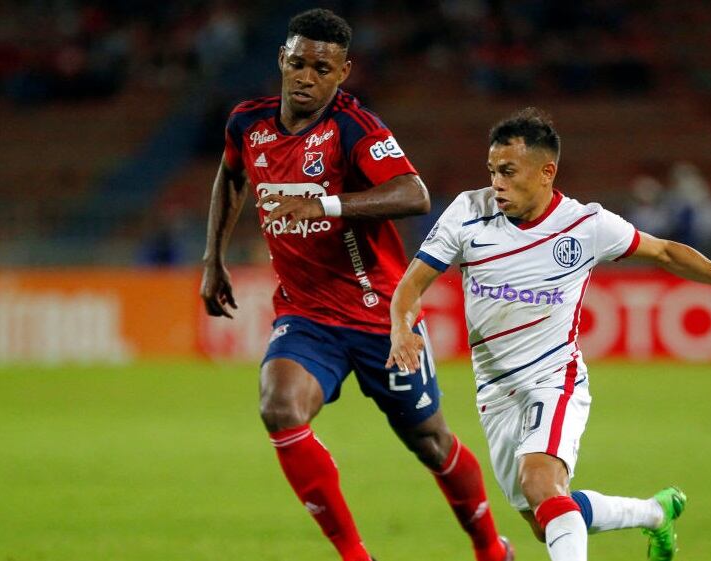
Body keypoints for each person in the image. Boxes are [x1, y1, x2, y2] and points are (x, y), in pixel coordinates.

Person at [387, 108, 711, 561]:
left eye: (508, 171)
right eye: (492, 170)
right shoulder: (468, 212)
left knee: (542, 484)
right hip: (495, 393)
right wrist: (401, 326)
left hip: (554, 379)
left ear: (545, 172)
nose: (496, 182)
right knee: (547, 518)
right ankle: (653, 513)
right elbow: (410, 286)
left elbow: (665, 252)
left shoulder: (585, 225)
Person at [200, 9, 513, 561]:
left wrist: (326, 203)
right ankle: (355, 556)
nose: (306, 77)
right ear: (281, 60)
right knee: (279, 406)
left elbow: (412, 193)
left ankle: (490, 548)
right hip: (307, 316)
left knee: (431, 442)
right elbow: (231, 175)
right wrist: (213, 259)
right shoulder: (247, 123)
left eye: (321, 68)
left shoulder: (353, 128)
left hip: (380, 316)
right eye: (297, 63)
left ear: (343, 72)